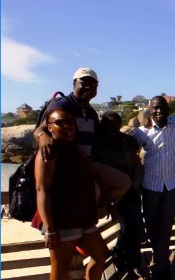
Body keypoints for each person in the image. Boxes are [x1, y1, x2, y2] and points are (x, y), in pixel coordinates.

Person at [34, 108, 119, 280]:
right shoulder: (48, 151)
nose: (68, 126)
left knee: (101, 256)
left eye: (71, 122)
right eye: (61, 123)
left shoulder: (72, 148)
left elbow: (90, 173)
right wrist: (50, 228)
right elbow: (41, 190)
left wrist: (107, 199)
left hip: (83, 217)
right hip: (61, 219)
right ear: (50, 127)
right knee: (60, 266)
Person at [33, 68, 131, 220]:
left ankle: (92, 217)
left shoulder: (91, 112)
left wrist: (123, 137)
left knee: (123, 182)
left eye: (93, 85)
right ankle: (83, 221)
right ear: (74, 83)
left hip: (87, 162)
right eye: (84, 83)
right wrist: (42, 136)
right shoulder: (64, 105)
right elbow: (42, 128)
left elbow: (100, 135)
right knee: (94, 189)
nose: (88, 87)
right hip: (67, 164)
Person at [132, 96, 175, 280]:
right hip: (151, 187)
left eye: (162, 108)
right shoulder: (142, 132)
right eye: (155, 109)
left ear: (168, 109)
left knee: (165, 228)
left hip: (170, 186)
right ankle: (160, 262)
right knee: (153, 229)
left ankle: (161, 267)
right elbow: (128, 149)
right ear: (149, 110)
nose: (159, 111)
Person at [91, 111, 146, 280]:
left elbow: (137, 164)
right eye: (108, 124)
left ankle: (133, 261)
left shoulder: (125, 141)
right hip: (111, 195)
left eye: (116, 124)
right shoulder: (96, 144)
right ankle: (124, 259)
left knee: (136, 228)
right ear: (102, 124)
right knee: (126, 229)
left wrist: (135, 187)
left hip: (130, 192)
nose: (112, 127)